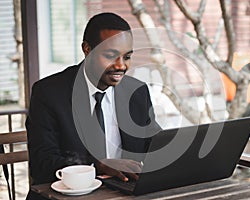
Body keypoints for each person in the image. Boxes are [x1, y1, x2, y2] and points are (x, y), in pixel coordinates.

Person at [26, 12, 161, 200]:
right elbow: (43, 162)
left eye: (127, 57)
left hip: (121, 193)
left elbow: (153, 143)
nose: (121, 66)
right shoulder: (49, 93)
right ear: (87, 49)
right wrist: (98, 165)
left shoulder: (136, 92)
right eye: (110, 55)